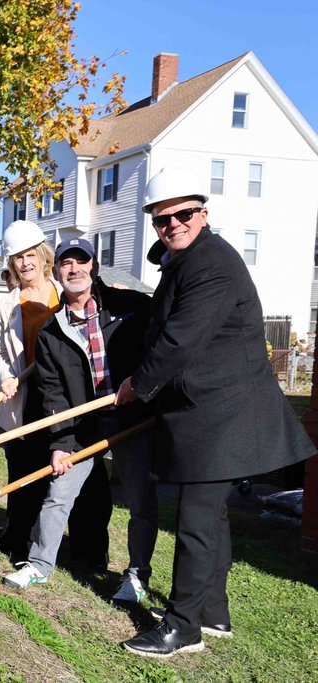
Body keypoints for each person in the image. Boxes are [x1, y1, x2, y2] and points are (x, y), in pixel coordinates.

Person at [117, 168, 315, 657]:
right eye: (163, 219)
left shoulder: (211, 265)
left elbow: (179, 339)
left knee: (195, 519)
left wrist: (136, 386)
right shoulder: (188, 261)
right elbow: (160, 312)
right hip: (211, 409)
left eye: (184, 214)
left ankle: (182, 627)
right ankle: (213, 611)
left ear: (203, 214)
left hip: (222, 412)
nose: (173, 225)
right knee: (213, 518)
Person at [2, 238, 157, 603]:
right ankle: (39, 565)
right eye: (66, 264)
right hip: (85, 423)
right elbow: (53, 394)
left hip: (133, 417)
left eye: (81, 262)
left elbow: (165, 338)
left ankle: (136, 577)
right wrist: (59, 444)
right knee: (58, 493)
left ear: (94, 267)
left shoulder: (129, 307)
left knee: (139, 501)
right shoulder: (52, 332)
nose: (74, 269)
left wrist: (145, 385)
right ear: (57, 272)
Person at [0, 220, 60, 561]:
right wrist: (5, 376)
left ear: (43, 256)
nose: (25, 262)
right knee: (21, 469)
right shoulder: (6, 305)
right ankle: (15, 537)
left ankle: (45, 543)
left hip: (59, 397)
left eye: (30, 254)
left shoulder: (63, 296)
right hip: (24, 397)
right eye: (17, 257)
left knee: (55, 472)